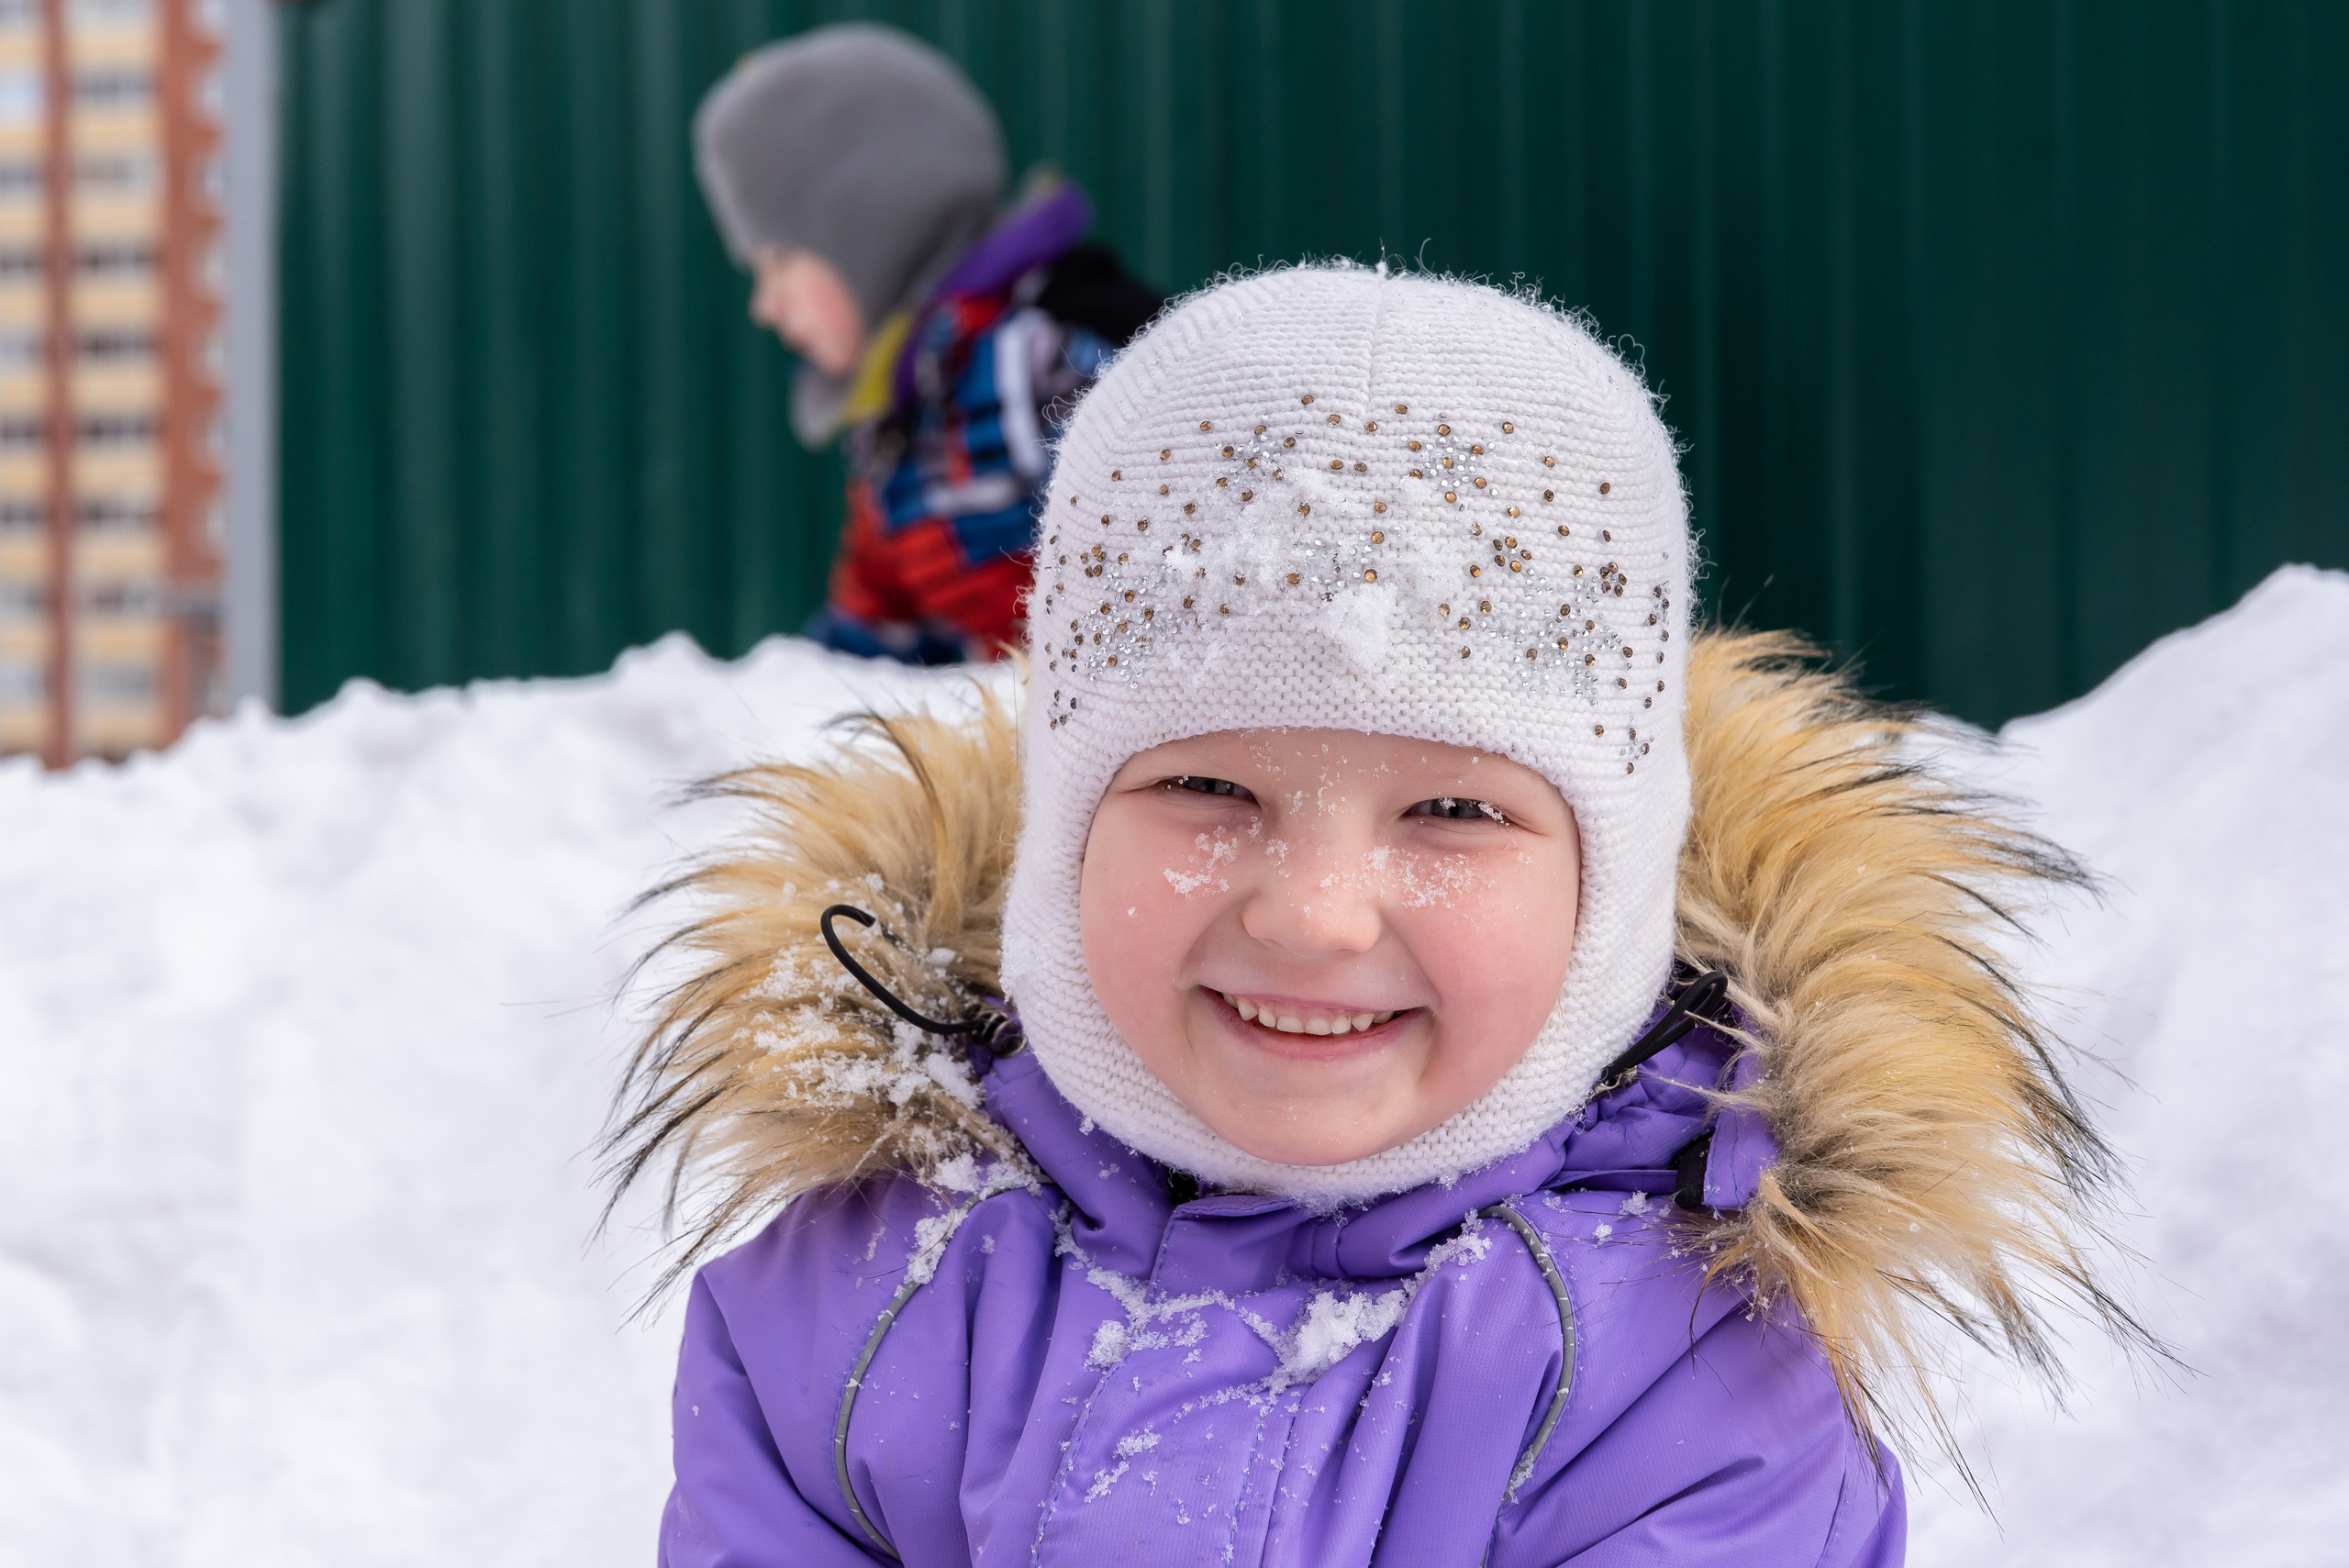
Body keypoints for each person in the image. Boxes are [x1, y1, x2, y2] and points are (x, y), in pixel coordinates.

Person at [610, 266, 2142, 1564]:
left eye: (1455, 812)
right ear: (1065, 813)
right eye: (1210, 787)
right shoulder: (848, 1304)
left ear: (1611, 871)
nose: (1320, 913)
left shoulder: (1685, 1384)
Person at [694, 23, 1161, 664]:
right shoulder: (899, 417)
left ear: (868, 229)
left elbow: (1178, 592)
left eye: (779, 263)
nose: (765, 305)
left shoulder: (1047, 363)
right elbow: (876, 632)